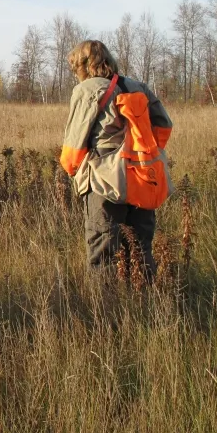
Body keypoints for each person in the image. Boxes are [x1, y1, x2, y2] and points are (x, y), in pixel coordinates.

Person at [60, 40, 173, 278]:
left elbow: (74, 144)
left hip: (105, 177)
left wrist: (74, 170)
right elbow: (164, 126)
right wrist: (141, 152)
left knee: (103, 248)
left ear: (84, 65)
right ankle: (145, 296)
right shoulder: (137, 86)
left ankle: (106, 300)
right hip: (143, 176)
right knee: (140, 247)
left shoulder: (88, 89)